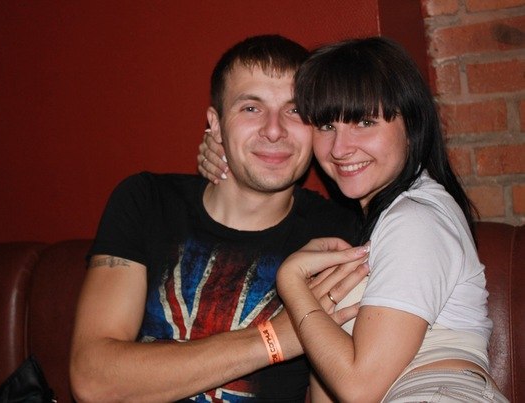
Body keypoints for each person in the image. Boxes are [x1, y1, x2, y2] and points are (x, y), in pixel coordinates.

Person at [199, 37, 508, 402]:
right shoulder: (374, 220)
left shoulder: (415, 219)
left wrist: (292, 283)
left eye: (364, 121)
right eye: (326, 125)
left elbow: (359, 387)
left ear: (412, 125)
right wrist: (225, 146)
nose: (340, 148)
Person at [69, 34, 367, 403]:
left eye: (295, 111)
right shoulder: (148, 202)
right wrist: (276, 338)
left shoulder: (340, 232)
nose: (274, 130)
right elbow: (92, 380)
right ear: (216, 123)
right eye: (251, 108)